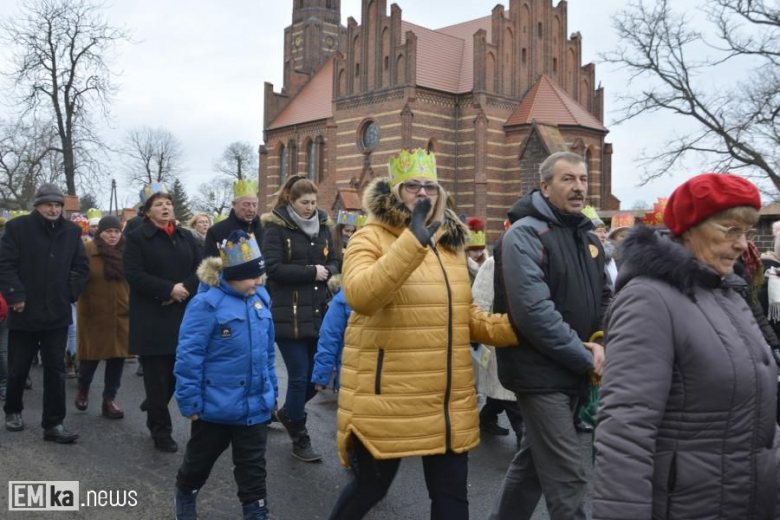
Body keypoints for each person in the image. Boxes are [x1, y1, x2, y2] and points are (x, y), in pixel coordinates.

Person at [329, 149, 518, 520]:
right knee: (370, 489)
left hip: (446, 400)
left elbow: (463, 316)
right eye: (412, 185)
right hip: (389, 399)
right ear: (396, 191)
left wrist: (519, 329)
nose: (423, 193)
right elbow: (362, 296)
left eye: (430, 185)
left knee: (451, 502)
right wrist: (411, 243)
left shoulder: (449, 245)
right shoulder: (370, 237)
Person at [593, 173, 780, 519]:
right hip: (690, 506)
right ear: (690, 229)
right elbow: (625, 429)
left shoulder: (726, 291)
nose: (742, 244)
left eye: (747, 232)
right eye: (730, 230)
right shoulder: (649, 299)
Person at [490, 152, 608, 520]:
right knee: (567, 477)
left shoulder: (588, 237)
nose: (579, 188)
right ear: (545, 186)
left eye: (583, 179)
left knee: (531, 468)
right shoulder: (524, 234)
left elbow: (606, 296)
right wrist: (585, 356)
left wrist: (602, 341)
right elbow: (533, 313)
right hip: (538, 373)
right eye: (568, 179)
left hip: (573, 367)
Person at [174, 231, 276, 520]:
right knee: (199, 462)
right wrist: (190, 400)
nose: (259, 281)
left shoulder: (261, 300)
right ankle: (186, 493)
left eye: (260, 275)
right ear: (232, 275)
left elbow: (268, 353)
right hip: (214, 407)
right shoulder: (207, 304)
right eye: (252, 277)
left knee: (253, 467)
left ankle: (256, 512)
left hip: (255, 406)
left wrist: (271, 393)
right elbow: (189, 355)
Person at [0, 183, 90, 443]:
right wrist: (15, 295)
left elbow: (80, 268)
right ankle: (13, 410)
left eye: (57, 205)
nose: (53, 209)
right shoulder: (18, 228)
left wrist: (69, 294)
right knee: (18, 366)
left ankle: (54, 423)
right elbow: (5, 264)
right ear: (37, 205)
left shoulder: (71, 231)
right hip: (24, 311)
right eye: (48, 204)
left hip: (57, 313)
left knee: (55, 369)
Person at [262, 175, 338, 462]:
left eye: (313, 202)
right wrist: (310, 272)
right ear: (291, 201)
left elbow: (334, 260)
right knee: (298, 376)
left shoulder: (323, 226)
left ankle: (289, 413)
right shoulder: (276, 228)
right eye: (304, 202)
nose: (309, 207)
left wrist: (327, 270)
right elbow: (273, 268)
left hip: (317, 312)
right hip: (288, 313)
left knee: (315, 378)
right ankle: (300, 436)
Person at [124, 183, 201, 452]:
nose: (165, 207)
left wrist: (184, 289)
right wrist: (167, 289)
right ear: (147, 212)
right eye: (158, 204)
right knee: (157, 377)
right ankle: (160, 430)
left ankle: (153, 405)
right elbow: (133, 273)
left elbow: (199, 268)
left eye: (168, 202)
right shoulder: (136, 238)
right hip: (152, 316)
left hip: (182, 313)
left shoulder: (185, 236)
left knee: (177, 375)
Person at [74, 216, 130, 419]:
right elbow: (76, 275)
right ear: (100, 233)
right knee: (91, 356)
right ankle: (83, 388)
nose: (113, 235)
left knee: (117, 358)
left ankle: (109, 400)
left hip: (122, 312)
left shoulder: (128, 252)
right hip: (94, 312)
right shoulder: (88, 250)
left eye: (116, 231)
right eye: (108, 232)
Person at [471, 256, 524, 448]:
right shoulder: (494, 262)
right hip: (496, 336)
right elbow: (479, 301)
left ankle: (486, 418)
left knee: (502, 389)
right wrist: (478, 337)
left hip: (522, 337)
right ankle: (523, 434)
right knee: (508, 392)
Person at [204, 180, 263, 259]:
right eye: (246, 204)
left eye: (254, 205)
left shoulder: (266, 229)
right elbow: (210, 265)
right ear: (234, 204)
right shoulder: (216, 231)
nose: (251, 209)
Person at [465, 217, 488, 283]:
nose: (478, 254)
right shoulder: (461, 265)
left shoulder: (486, 264)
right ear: (467, 250)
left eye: (481, 251)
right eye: (475, 250)